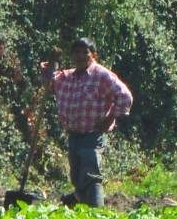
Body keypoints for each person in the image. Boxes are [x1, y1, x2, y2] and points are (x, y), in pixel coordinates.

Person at [40, 38, 133, 207]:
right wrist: (52, 63)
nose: (80, 56)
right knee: (77, 178)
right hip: (74, 136)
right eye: (77, 52)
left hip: (92, 135)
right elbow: (50, 83)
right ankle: (76, 201)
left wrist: (110, 118)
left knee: (91, 176)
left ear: (93, 55)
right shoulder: (67, 77)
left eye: (85, 52)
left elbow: (125, 96)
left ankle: (96, 216)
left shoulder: (101, 76)